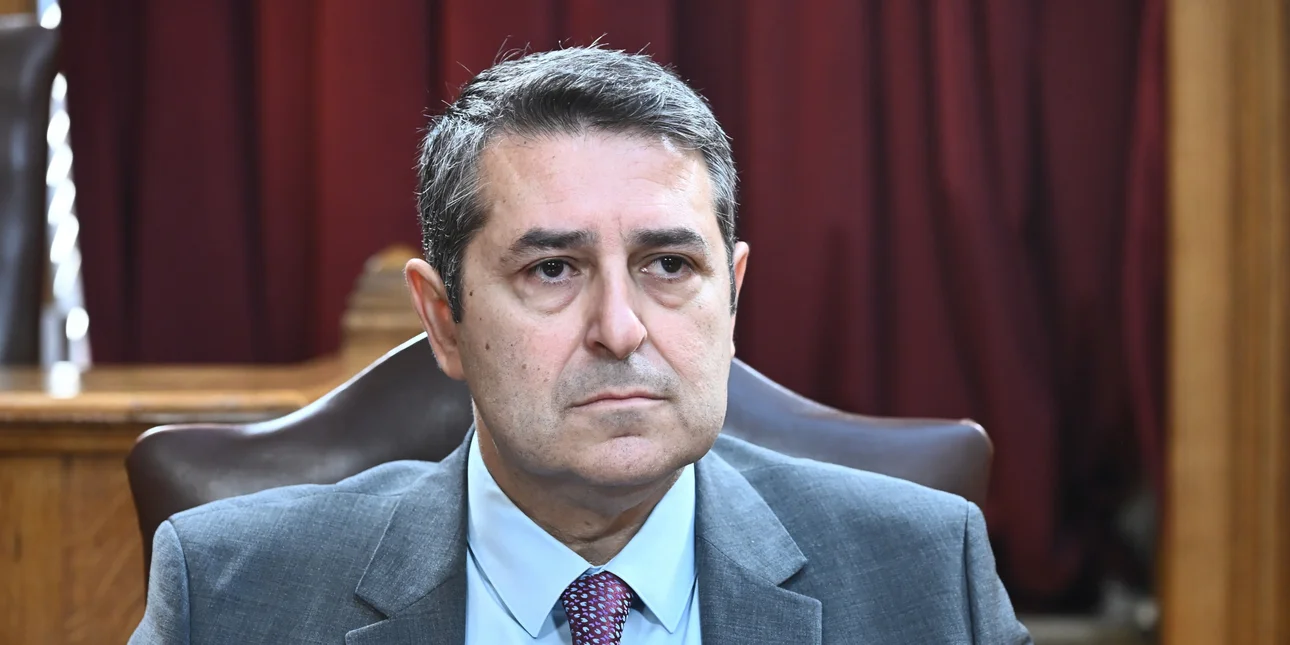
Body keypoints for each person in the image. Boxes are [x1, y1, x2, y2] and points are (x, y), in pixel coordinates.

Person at [130, 46, 1031, 644]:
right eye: (553, 269)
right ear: (444, 319)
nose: (620, 328)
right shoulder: (231, 593)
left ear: (733, 298)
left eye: (669, 264)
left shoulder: (925, 575)